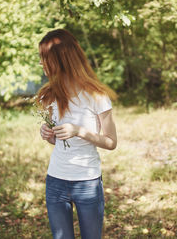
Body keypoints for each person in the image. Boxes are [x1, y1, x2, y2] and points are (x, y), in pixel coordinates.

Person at [37, 29, 117, 239]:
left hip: (87, 181)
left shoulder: (96, 96)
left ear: (60, 60)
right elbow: (59, 142)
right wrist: (49, 135)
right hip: (55, 181)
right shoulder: (50, 95)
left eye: (44, 59)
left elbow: (111, 142)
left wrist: (79, 131)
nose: (41, 64)